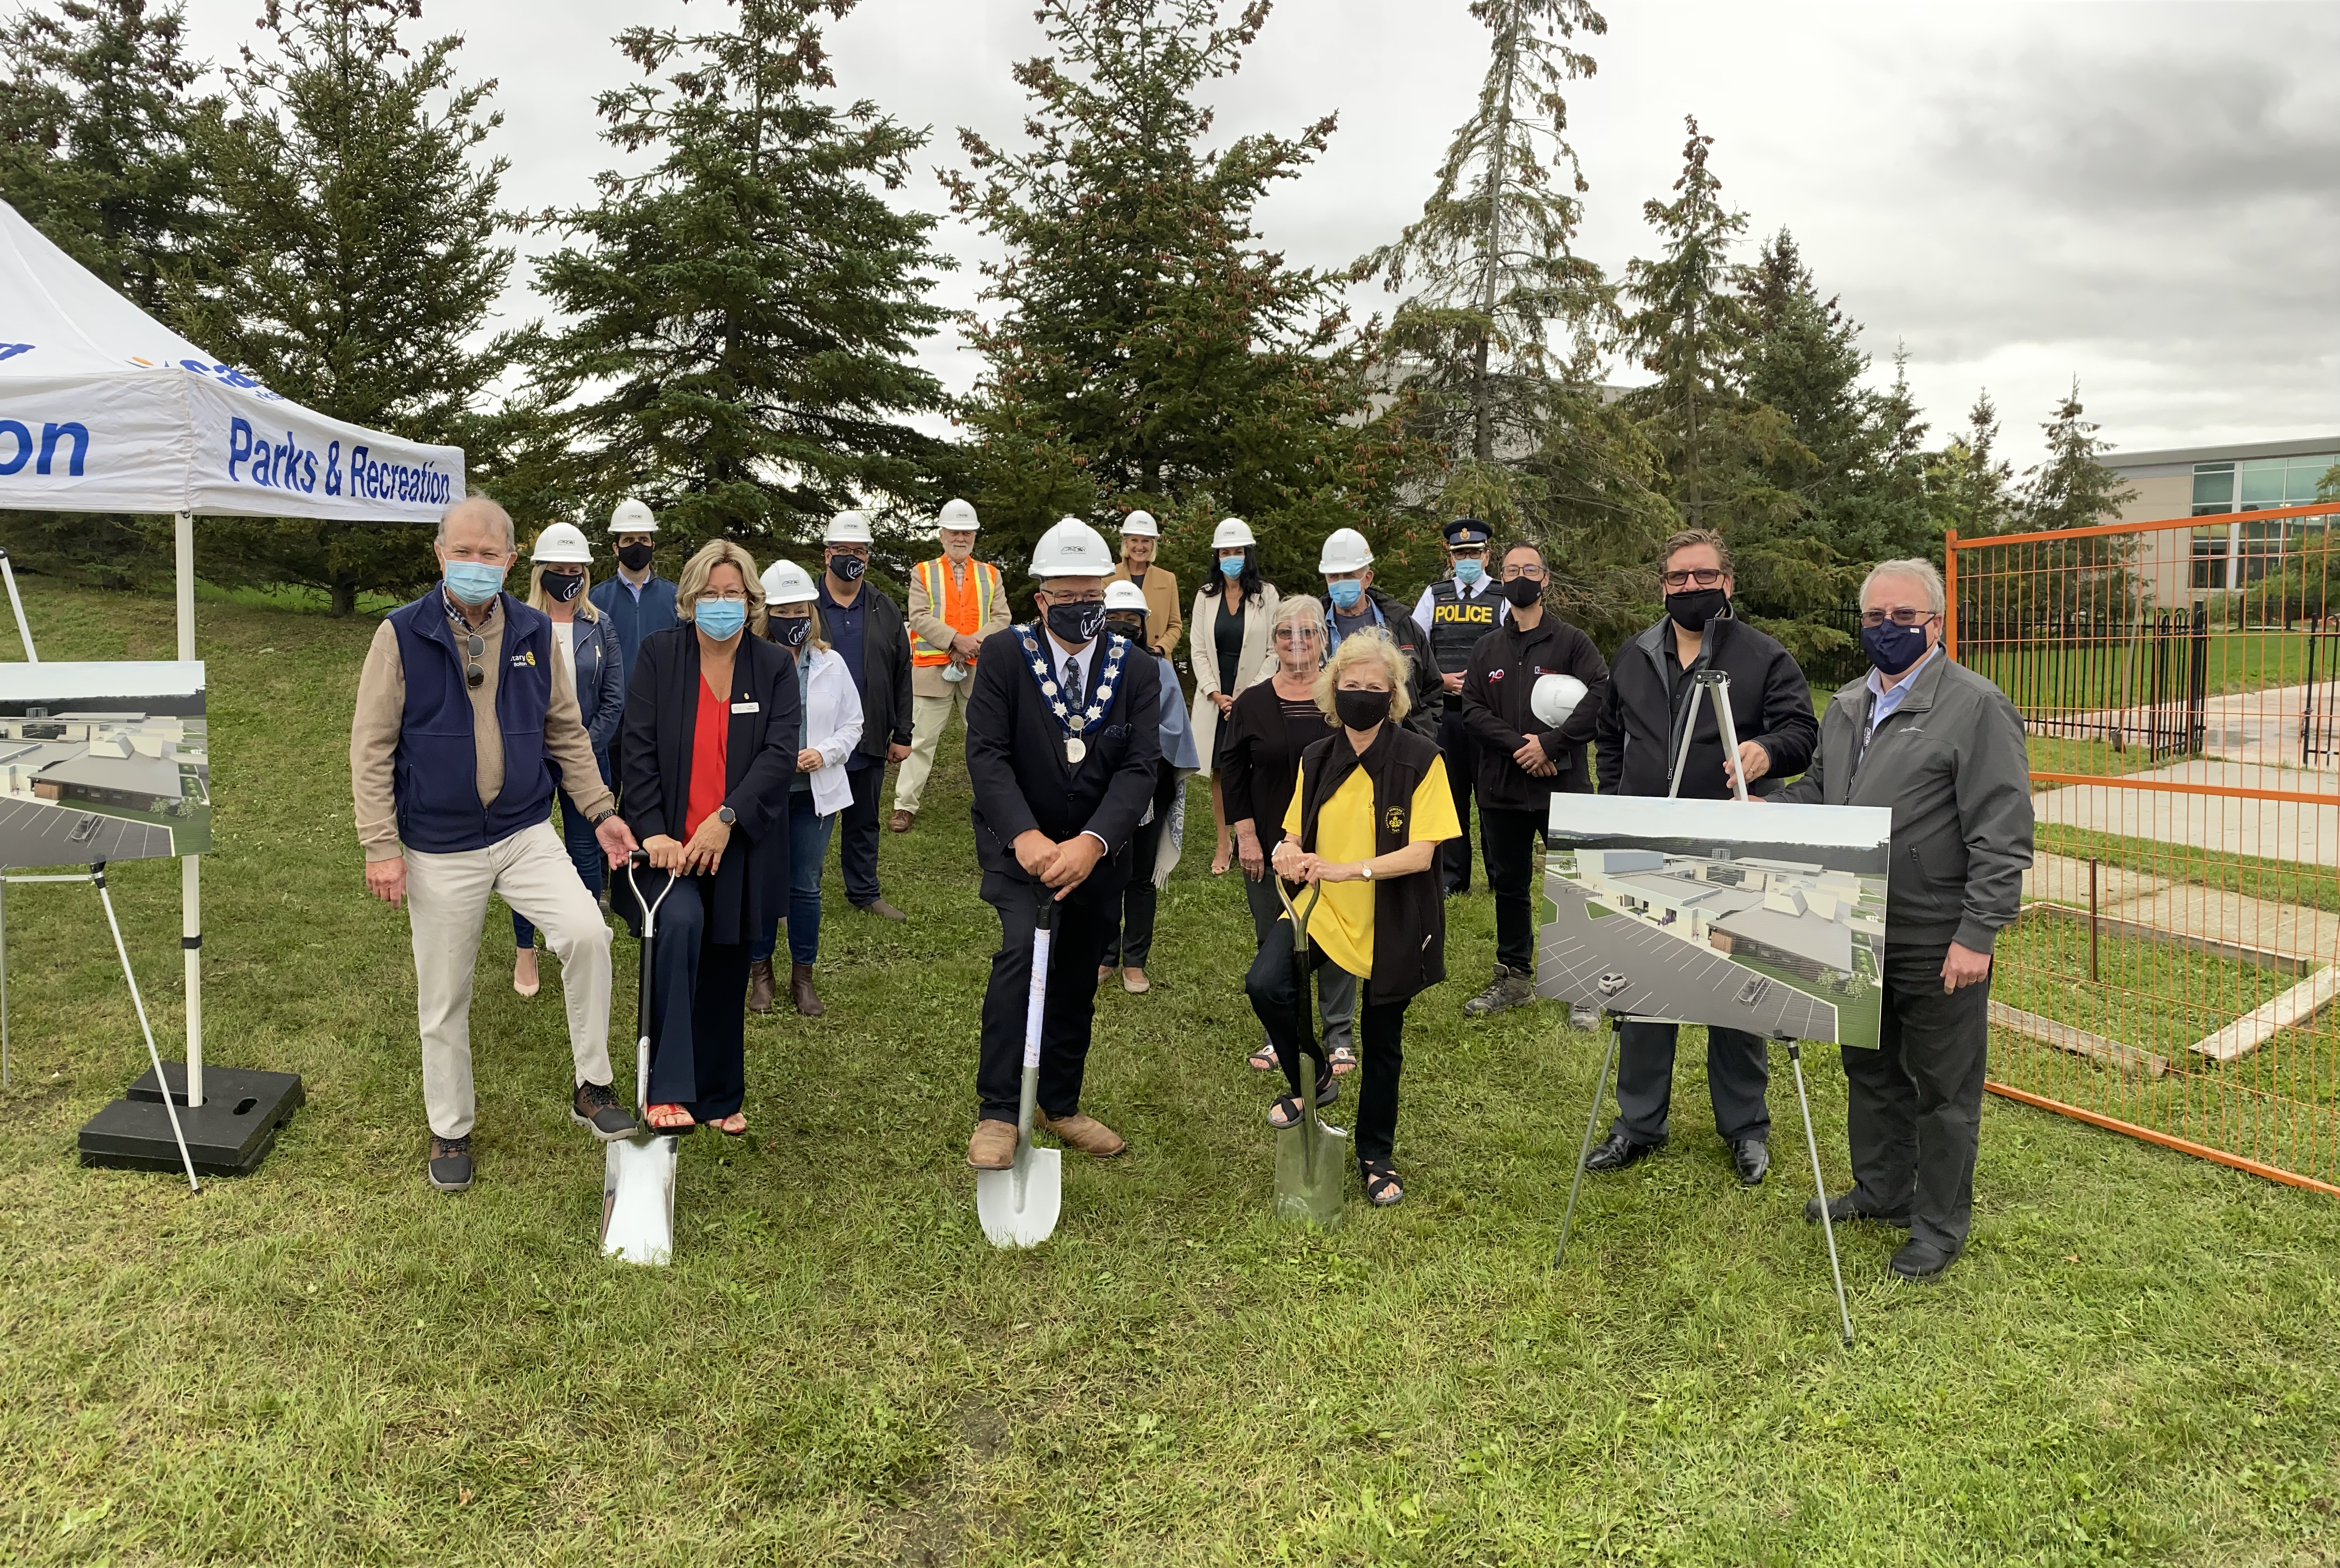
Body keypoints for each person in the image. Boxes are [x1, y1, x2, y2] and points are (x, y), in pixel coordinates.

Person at [351, 495, 642, 1193]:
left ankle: (592, 1086)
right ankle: (450, 1125)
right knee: (444, 995)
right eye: (463, 551)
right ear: (440, 554)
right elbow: (372, 746)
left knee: (587, 935)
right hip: (438, 846)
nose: (475, 563)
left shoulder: (537, 633)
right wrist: (379, 844)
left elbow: (566, 732)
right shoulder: (401, 633)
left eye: (489, 554)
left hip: (522, 832)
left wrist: (600, 809)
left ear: (512, 561)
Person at [1774, 557, 2032, 1280]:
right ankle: (1883, 1190)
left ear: (1936, 624)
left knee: (1944, 1087)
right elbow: (1824, 791)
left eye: (1903, 618)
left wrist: (1977, 933)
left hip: (1935, 930)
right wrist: (1765, 809)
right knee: (1870, 1066)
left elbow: (2002, 829)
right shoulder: (1849, 703)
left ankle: (1939, 1225)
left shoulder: (1976, 707)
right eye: (1875, 617)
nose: (1887, 629)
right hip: (1854, 921)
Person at [1585, 527, 1819, 1186]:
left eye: (1703, 575)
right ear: (1663, 585)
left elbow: (1804, 732)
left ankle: (1745, 1127)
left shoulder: (1765, 657)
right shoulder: (1634, 655)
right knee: (1643, 983)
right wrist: (1617, 795)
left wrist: (1767, 751)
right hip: (1647, 846)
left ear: (1728, 582)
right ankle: (1638, 1122)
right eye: (1678, 578)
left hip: (1730, 847)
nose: (1690, 588)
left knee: (1735, 988)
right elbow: (1610, 733)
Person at [962, 517, 1163, 1171]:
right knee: (1022, 956)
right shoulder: (1002, 656)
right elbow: (987, 754)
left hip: (1098, 856)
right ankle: (998, 1111)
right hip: (1020, 847)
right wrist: (1026, 837)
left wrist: (1094, 842)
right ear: (1042, 599)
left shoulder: (1136, 668)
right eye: (1067, 596)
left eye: (1092, 594)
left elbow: (1140, 766)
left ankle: (1061, 1101)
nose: (1081, 608)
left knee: (1079, 971)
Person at [1246, 627, 1458, 1207]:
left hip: (1393, 915)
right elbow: (1293, 832)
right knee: (1264, 983)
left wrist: (1348, 870)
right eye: (1350, 682)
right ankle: (1312, 1076)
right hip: (1318, 911)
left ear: (1393, 697)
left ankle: (1375, 1154)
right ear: (1332, 688)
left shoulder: (1422, 758)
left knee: (1382, 1040)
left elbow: (1422, 853)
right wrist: (1286, 851)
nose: (1360, 693)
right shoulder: (1317, 757)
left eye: (1374, 685)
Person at [616, 539, 801, 1135]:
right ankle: (666, 1087)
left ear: (751, 601)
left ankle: (720, 1093)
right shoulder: (658, 656)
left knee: (727, 953)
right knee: (680, 926)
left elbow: (779, 754)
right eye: (711, 594)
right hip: (666, 847)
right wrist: (655, 833)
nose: (722, 604)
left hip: (737, 842)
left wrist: (726, 821)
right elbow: (636, 749)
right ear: (689, 600)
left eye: (734, 594)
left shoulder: (773, 665)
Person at [1458, 540, 1610, 1018]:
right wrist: (1522, 748)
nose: (1520, 576)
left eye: (1529, 569)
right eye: (1510, 569)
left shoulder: (1571, 643)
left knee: (1573, 885)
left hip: (1562, 788)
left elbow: (1602, 695)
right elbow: (1471, 710)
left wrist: (1553, 745)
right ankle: (1514, 976)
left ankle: (1583, 983)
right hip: (1502, 788)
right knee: (1510, 884)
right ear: (1501, 580)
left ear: (1545, 580)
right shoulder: (1487, 648)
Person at [1217, 594, 1358, 1076]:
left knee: (1338, 937)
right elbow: (1232, 772)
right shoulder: (1253, 703)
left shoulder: (1345, 698)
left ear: (1324, 639)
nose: (1297, 642)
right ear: (1273, 641)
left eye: (1308, 632)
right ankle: (1281, 1032)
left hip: (1337, 844)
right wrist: (1247, 838)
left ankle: (1338, 1032)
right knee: (1274, 936)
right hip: (1270, 846)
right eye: (1285, 633)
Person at [511, 521, 626, 999]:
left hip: (586, 758)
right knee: (524, 854)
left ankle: (578, 938)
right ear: (540, 573)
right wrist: (537, 751)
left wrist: (579, 746)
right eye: (557, 569)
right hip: (529, 762)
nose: (567, 577)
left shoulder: (600, 626)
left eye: (575, 569)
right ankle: (525, 949)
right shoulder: (517, 623)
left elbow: (614, 697)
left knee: (584, 851)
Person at [749, 559, 864, 1017]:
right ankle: (760, 976)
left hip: (814, 793)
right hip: (763, 792)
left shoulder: (830, 663)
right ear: (766, 616)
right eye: (784, 613)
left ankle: (803, 977)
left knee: (805, 886)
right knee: (759, 885)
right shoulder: (748, 661)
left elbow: (852, 723)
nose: (794, 621)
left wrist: (825, 753)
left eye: (802, 613)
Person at [1097, 579, 1201, 993]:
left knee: (1139, 876)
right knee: (1104, 873)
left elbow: (1175, 729)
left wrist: (1133, 740)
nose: (1123, 625)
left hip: (1148, 787)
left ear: (1143, 624)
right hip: (1101, 790)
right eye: (1114, 618)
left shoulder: (1158, 669)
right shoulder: (1090, 670)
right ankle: (1104, 954)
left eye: (1131, 619)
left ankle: (1135, 960)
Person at [815, 509, 913, 921]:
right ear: (827, 555)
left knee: (863, 820)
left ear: (869, 557)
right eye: (843, 550)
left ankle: (864, 891)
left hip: (869, 734)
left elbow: (902, 670)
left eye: (859, 551)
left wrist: (902, 733)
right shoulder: (806, 606)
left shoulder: (883, 608)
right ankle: (795, 893)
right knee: (809, 820)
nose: (851, 557)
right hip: (817, 737)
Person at [892, 497, 1009, 834]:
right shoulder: (923, 572)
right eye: (954, 532)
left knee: (987, 740)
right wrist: (956, 640)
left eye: (967, 533)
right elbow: (918, 616)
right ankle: (904, 806)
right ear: (942, 534)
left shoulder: (991, 574)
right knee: (920, 741)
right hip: (932, 670)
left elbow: (1002, 618)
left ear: (974, 537)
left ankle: (994, 804)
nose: (961, 538)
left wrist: (974, 643)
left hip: (980, 672)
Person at [1411, 517, 1509, 898]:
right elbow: (1415, 649)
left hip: (1487, 713)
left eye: (1474, 553)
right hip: (1446, 713)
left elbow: (1509, 650)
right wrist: (1441, 680)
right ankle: (1453, 880)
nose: (1467, 559)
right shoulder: (1434, 595)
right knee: (1449, 797)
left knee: (1491, 796)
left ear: (1487, 556)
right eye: (1460, 554)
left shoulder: (1502, 596)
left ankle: (1500, 875)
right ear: (1451, 558)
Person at [1187, 517, 1280, 876]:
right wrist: (1215, 692)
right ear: (1217, 555)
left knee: (1255, 766)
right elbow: (1197, 648)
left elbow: (1276, 648)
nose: (1232, 558)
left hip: (1254, 695)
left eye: (1238, 551)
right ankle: (1224, 843)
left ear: (1248, 553)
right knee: (1220, 772)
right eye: (1225, 552)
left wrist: (1245, 694)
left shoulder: (1266, 595)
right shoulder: (1204, 596)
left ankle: (1251, 838)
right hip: (1216, 699)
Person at [587, 497, 679, 789]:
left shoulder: (676, 599)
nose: (636, 545)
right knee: (606, 794)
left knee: (652, 792)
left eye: (643, 539)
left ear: (653, 544)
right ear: (616, 547)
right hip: (611, 714)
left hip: (662, 714)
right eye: (628, 540)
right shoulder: (595, 601)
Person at [1317, 526, 1439, 736]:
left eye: (1349, 575)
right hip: (1333, 744)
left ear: (1367, 578)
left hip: (1397, 746)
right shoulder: (1314, 628)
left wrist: (1425, 734)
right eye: (1334, 577)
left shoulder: (1402, 626)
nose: (1340, 583)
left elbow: (1432, 688)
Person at [1107, 508, 1183, 660]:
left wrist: (1160, 648)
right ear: (1126, 542)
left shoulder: (1168, 579)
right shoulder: (1108, 576)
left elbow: (1175, 625)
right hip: (1114, 657)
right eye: (1135, 540)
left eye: (1146, 541)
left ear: (1153, 544)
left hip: (1156, 659)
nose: (1140, 547)